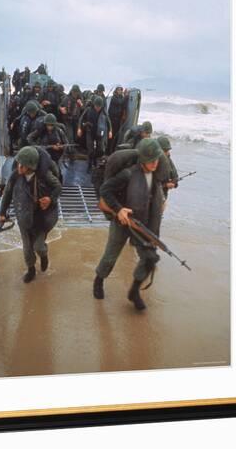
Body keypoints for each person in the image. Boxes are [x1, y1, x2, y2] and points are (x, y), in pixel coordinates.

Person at [93, 138, 165, 311]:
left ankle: (134, 290)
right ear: (142, 159)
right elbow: (105, 190)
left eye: (156, 159)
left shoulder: (156, 175)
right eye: (151, 160)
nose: (155, 163)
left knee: (150, 258)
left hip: (143, 223)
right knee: (111, 255)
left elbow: (156, 195)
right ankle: (99, 280)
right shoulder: (128, 173)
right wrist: (118, 209)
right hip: (122, 222)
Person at [0, 146, 61, 283]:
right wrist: (2, 213)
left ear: (31, 166)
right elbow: (7, 194)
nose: (19, 167)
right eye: (19, 163)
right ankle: (31, 269)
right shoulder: (15, 175)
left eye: (23, 165)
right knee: (27, 248)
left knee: (39, 246)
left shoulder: (44, 176)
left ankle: (44, 256)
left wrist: (50, 199)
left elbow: (57, 187)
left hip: (41, 218)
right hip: (23, 216)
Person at [77, 96, 113, 172]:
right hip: (90, 131)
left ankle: (95, 160)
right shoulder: (88, 110)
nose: (97, 108)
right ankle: (89, 164)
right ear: (94, 105)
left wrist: (110, 131)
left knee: (100, 149)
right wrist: (79, 128)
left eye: (99, 106)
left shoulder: (103, 111)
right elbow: (81, 118)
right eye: (96, 106)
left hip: (99, 132)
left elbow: (108, 121)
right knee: (90, 150)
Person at [58, 84, 83, 157]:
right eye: (74, 92)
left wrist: (81, 104)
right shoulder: (66, 98)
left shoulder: (80, 99)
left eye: (76, 92)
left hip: (76, 121)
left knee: (76, 136)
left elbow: (84, 109)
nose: (75, 93)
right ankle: (70, 151)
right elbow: (60, 106)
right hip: (68, 120)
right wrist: (61, 109)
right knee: (70, 136)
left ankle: (73, 149)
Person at [108, 86, 128, 150]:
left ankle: (113, 149)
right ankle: (108, 150)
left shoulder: (121, 97)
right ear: (116, 91)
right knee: (112, 136)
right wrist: (126, 96)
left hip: (118, 120)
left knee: (116, 136)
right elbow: (120, 102)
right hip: (112, 120)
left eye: (121, 90)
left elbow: (123, 104)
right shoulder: (114, 98)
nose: (120, 91)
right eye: (119, 90)